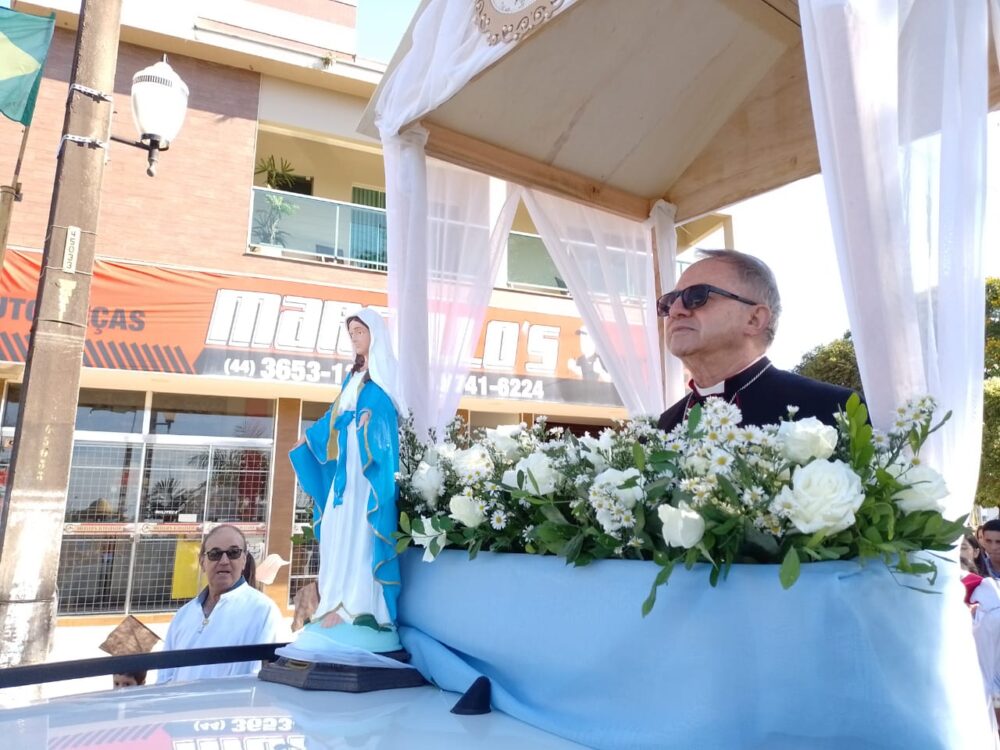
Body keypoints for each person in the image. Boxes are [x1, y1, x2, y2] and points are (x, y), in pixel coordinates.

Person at [289, 307, 407, 653]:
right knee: (337, 537)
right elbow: (334, 414)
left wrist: (372, 419)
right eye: (351, 333)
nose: (355, 338)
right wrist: (309, 439)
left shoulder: (381, 378)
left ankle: (363, 608)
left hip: (367, 472)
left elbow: (388, 413)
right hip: (345, 471)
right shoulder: (351, 378)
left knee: (361, 535)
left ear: (375, 335)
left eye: (360, 332)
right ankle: (334, 603)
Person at [657, 250, 857, 432]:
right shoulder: (665, 426)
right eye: (669, 302)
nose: (674, 311)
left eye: (697, 296)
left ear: (754, 319)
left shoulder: (835, 409)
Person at [157, 524, 284, 683]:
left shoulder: (263, 611)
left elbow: (271, 679)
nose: (224, 561)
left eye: (233, 553)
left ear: (244, 560)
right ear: (202, 562)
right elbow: (164, 676)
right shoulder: (184, 615)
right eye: (215, 554)